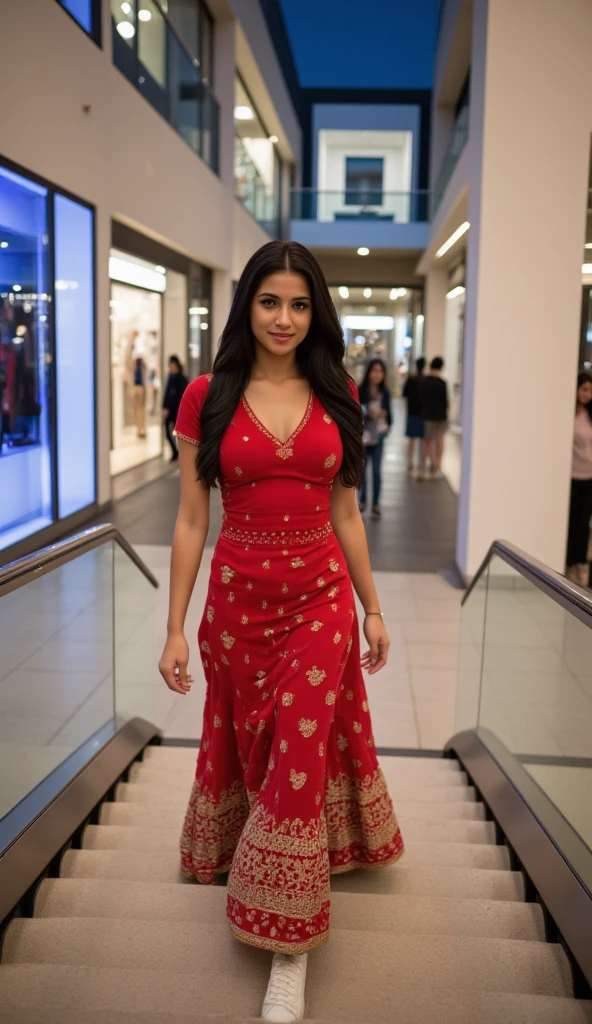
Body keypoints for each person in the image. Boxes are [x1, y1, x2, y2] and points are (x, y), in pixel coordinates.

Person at [158, 240, 403, 1023]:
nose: (285, 318)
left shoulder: (337, 394)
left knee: (299, 746)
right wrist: (175, 627)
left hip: (320, 600)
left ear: (316, 310)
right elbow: (193, 519)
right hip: (236, 605)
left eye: (300, 304)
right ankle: (254, 854)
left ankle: (287, 947)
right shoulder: (207, 395)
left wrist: (371, 605)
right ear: (247, 306)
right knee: (254, 741)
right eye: (271, 302)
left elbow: (345, 511)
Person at [566, 371, 592, 587]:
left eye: (591, 391)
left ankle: (581, 564)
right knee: (572, 522)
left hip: (589, 477)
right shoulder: (569, 415)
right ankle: (568, 562)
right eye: (584, 389)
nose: (588, 394)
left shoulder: (590, 415)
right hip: (573, 476)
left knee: (584, 524)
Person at [358, 358, 392, 518]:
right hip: (363, 437)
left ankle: (376, 504)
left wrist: (386, 421)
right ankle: (363, 501)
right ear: (369, 372)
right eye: (374, 370)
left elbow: (389, 414)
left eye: (380, 371)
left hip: (378, 437)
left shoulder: (385, 393)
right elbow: (355, 412)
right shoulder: (360, 390)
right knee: (363, 472)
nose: (377, 374)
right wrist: (368, 414)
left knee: (377, 471)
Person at [420, 356, 448, 478]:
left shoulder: (425, 381)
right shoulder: (442, 383)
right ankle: (437, 467)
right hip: (440, 416)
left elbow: (421, 399)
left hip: (427, 416)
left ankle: (424, 468)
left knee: (427, 442)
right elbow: (445, 402)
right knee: (439, 442)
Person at [162, 355, 189, 461]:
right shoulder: (170, 376)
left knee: (178, 433)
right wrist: (164, 406)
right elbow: (167, 393)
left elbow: (180, 395)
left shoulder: (181, 378)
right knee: (168, 432)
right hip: (169, 410)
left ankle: (178, 453)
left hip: (177, 409)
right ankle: (175, 452)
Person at [403, 356, 426, 473]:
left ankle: (409, 463)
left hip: (411, 412)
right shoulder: (425, 380)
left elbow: (404, 394)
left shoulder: (411, 379)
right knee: (422, 440)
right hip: (422, 413)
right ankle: (421, 463)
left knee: (411, 440)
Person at [132, 355, 147, 438]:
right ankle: (140, 429)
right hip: (139, 388)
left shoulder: (139, 368)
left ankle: (141, 429)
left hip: (139, 388)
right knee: (139, 410)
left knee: (139, 410)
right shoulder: (138, 368)